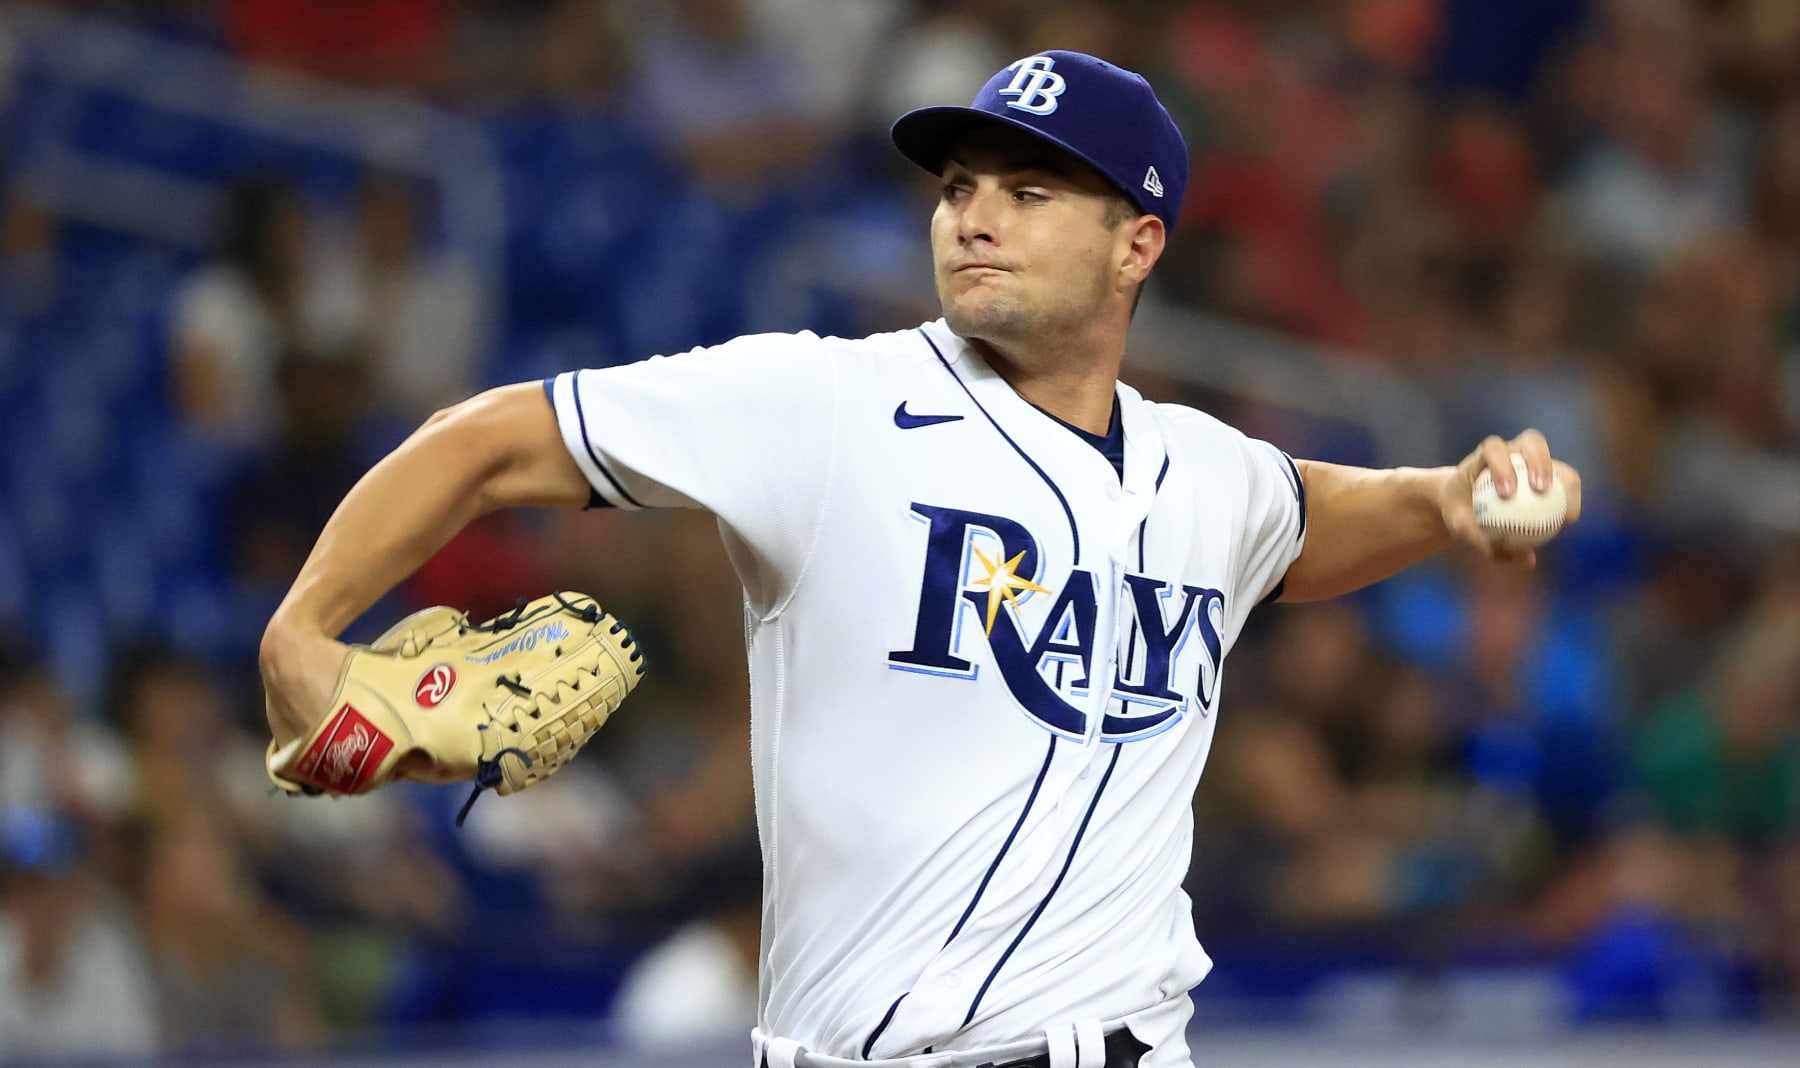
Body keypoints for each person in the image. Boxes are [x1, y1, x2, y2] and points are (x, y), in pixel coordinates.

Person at [259, 51, 1583, 1068]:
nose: (971, 216)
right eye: (957, 186)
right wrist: (305, 627)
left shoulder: (1205, 469)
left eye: (1029, 187)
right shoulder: (824, 406)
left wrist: (1454, 498)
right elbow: (490, 439)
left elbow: (1307, 516)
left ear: (1139, 241)